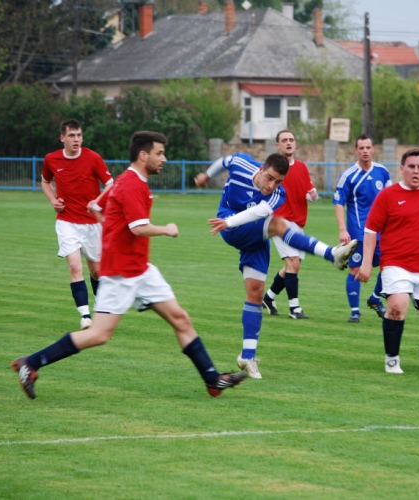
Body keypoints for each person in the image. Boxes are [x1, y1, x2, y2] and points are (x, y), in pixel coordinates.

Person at [12, 131, 248, 399]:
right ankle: (30, 363)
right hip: (121, 273)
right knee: (99, 335)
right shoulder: (131, 185)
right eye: (159, 153)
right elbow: (138, 228)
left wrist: (108, 222)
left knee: (180, 318)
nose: (164, 159)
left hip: (141, 269)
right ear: (143, 155)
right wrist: (166, 229)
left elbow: (95, 207)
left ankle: (212, 379)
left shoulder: (126, 181)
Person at [194, 153, 357, 379]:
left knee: (255, 293)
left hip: (251, 234)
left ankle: (247, 356)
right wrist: (206, 175)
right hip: (229, 225)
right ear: (261, 169)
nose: (271, 186)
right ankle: (331, 254)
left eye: (278, 181)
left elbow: (259, 212)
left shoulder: (278, 194)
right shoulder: (241, 163)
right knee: (279, 225)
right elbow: (224, 161)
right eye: (269, 178)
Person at [355, 148, 419, 374]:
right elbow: (371, 230)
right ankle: (392, 359)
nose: (416, 171)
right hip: (396, 264)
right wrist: (366, 264)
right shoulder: (388, 195)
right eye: (411, 166)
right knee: (397, 306)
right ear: (402, 169)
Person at [41, 119, 114, 330]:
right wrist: (53, 200)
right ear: (62, 138)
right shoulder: (51, 159)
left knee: (97, 272)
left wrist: (97, 201)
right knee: (74, 265)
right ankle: (85, 316)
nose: (76, 139)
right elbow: (45, 181)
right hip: (66, 222)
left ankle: (101, 311)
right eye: (72, 135)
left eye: (79, 135)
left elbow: (110, 184)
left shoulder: (93, 158)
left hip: (92, 223)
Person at [333, 134, 391, 323]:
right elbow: (339, 202)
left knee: (388, 266)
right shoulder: (348, 176)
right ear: (355, 150)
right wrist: (343, 229)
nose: (365, 151)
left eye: (368, 147)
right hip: (359, 231)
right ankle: (355, 311)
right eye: (361, 148)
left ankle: (374, 298)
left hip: (382, 231)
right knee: (355, 269)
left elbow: (391, 199)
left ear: (373, 149)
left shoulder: (382, 172)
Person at [262, 130, 318, 319]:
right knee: (292, 262)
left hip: (297, 223)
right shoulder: (272, 171)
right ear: (278, 145)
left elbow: (308, 191)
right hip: (279, 222)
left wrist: (313, 195)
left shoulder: (301, 167)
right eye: (284, 140)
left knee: (292, 266)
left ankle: (268, 298)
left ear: (295, 144)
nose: (288, 143)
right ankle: (295, 308)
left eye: (291, 140)